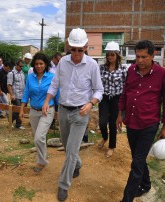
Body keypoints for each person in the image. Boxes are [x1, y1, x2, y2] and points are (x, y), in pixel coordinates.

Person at [42, 28, 104, 201]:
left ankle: (63, 185)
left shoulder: (92, 65)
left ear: (86, 47)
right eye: (73, 49)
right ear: (68, 46)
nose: (76, 53)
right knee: (67, 146)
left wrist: (90, 103)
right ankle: (77, 164)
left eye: (80, 49)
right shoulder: (62, 62)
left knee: (70, 151)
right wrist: (47, 101)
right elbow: (55, 84)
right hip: (63, 110)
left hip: (80, 114)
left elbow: (99, 90)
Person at [116, 40, 165, 202]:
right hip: (132, 122)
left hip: (149, 124)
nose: (139, 61)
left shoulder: (161, 74)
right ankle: (146, 184)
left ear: (152, 55)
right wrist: (120, 114)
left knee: (137, 162)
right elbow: (125, 93)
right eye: (138, 57)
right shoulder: (131, 71)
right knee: (137, 157)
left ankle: (127, 199)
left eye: (144, 57)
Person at [19, 52, 56, 172]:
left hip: (47, 110)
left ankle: (41, 161)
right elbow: (26, 93)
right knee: (38, 137)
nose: (38, 66)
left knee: (38, 138)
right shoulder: (30, 77)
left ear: (45, 64)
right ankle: (42, 159)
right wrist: (21, 108)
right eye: (36, 64)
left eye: (41, 63)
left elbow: (57, 93)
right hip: (33, 111)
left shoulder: (52, 77)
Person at [98, 41, 127, 158]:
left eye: (112, 54)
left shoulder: (123, 70)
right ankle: (105, 137)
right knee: (102, 122)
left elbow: (126, 86)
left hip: (117, 98)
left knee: (113, 124)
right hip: (104, 98)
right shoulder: (101, 68)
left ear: (117, 55)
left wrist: (123, 103)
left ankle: (111, 146)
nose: (110, 57)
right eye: (108, 54)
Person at [7, 59, 25, 129]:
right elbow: (9, 85)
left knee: (21, 110)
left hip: (22, 95)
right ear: (16, 65)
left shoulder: (22, 73)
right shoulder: (11, 73)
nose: (21, 68)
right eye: (20, 66)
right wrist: (12, 95)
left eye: (22, 66)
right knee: (17, 110)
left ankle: (18, 124)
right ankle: (10, 120)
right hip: (16, 96)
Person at [49, 52, 62, 130]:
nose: (59, 62)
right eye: (58, 60)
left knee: (57, 105)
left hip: (58, 89)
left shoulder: (59, 66)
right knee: (50, 105)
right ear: (54, 58)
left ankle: (53, 123)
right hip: (49, 89)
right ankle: (49, 123)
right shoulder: (48, 66)